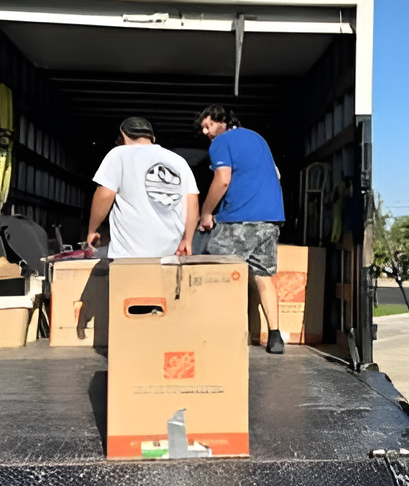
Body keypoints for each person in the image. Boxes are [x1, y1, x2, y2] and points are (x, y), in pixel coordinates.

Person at [196, 105, 287, 354]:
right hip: (270, 218)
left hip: (240, 218)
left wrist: (205, 213)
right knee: (264, 276)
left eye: (208, 125)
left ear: (222, 121)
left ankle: (215, 332)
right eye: (202, 127)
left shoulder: (221, 142)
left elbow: (223, 179)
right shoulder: (257, 138)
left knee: (213, 269)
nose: (205, 131)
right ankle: (275, 337)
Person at [87, 117, 199, 258]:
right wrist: (187, 240)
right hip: (171, 254)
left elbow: (105, 194)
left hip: (129, 256)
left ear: (122, 136)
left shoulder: (119, 154)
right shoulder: (178, 161)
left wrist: (92, 230)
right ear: (152, 137)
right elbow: (192, 202)